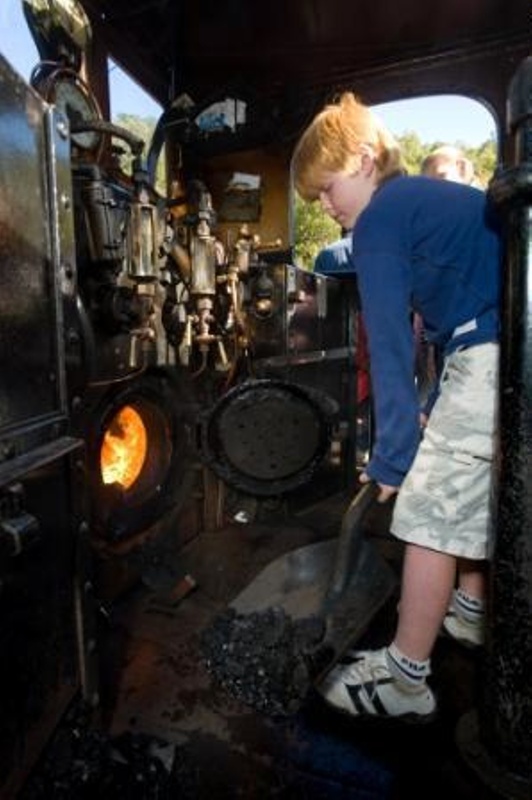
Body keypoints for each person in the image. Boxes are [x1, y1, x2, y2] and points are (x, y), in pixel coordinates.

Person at [291, 93, 502, 722]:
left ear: (362, 159)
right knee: (469, 485)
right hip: (492, 342)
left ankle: (406, 676)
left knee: (433, 501)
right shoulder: (421, 206)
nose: (325, 208)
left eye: (327, 190)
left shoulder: (382, 220)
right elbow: (450, 329)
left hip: (494, 347)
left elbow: (386, 344)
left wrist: (392, 459)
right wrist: (431, 409)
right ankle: (468, 611)